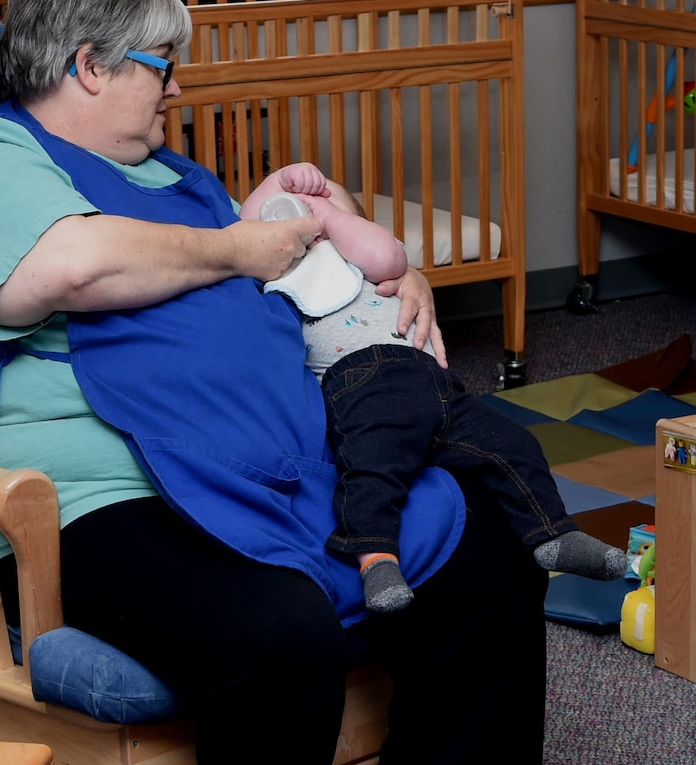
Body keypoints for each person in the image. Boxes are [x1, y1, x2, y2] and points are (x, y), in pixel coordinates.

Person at [0, 0, 545, 765]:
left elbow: (290, 279)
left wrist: (389, 271)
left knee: (485, 537)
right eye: (163, 66)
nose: (178, 89)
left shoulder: (182, 184)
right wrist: (241, 249)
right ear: (90, 64)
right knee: (271, 629)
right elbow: (64, 271)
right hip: (85, 492)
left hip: (267, 460)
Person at [243, 162, 627, 613]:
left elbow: (385, 253)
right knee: (372, 468)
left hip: (438, 385)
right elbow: (249, 223)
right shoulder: (278, 279)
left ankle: (553, 534)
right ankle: (376, 559)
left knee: (512, 443)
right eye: (297, 210)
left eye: (327, 205)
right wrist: (287, 182)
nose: (310, 216)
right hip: (363, 385)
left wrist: (329, 216)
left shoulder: (370, 263)